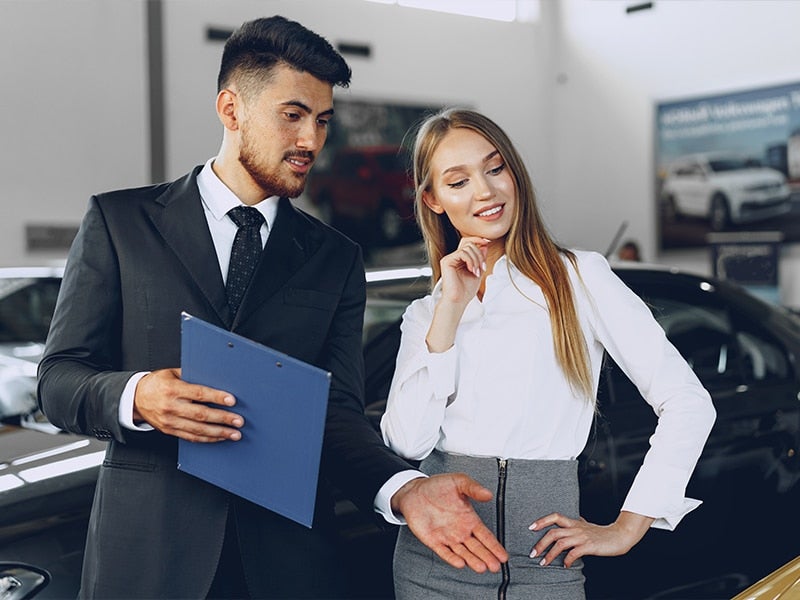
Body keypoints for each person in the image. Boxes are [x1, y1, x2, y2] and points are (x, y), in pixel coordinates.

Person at [37, 19, 507, 599]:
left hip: (288, 562)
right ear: (231, 110)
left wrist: (405, 488)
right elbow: (58, 380)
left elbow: (337, 415)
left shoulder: (335, 257)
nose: (312, 139)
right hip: (149, 557)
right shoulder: (121, 223)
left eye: (323, 120)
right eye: (293, 115)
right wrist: (137, 396)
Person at [380, 108, 716, 599]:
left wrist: (626, 527)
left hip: (546, 569)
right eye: (459, 181)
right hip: (430, 568)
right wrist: (450, 310)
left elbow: (688, 402)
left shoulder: (580, 278)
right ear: (432, 200)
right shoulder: (425, 313)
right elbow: (407, 444)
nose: (485, 191)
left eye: (496, 169)